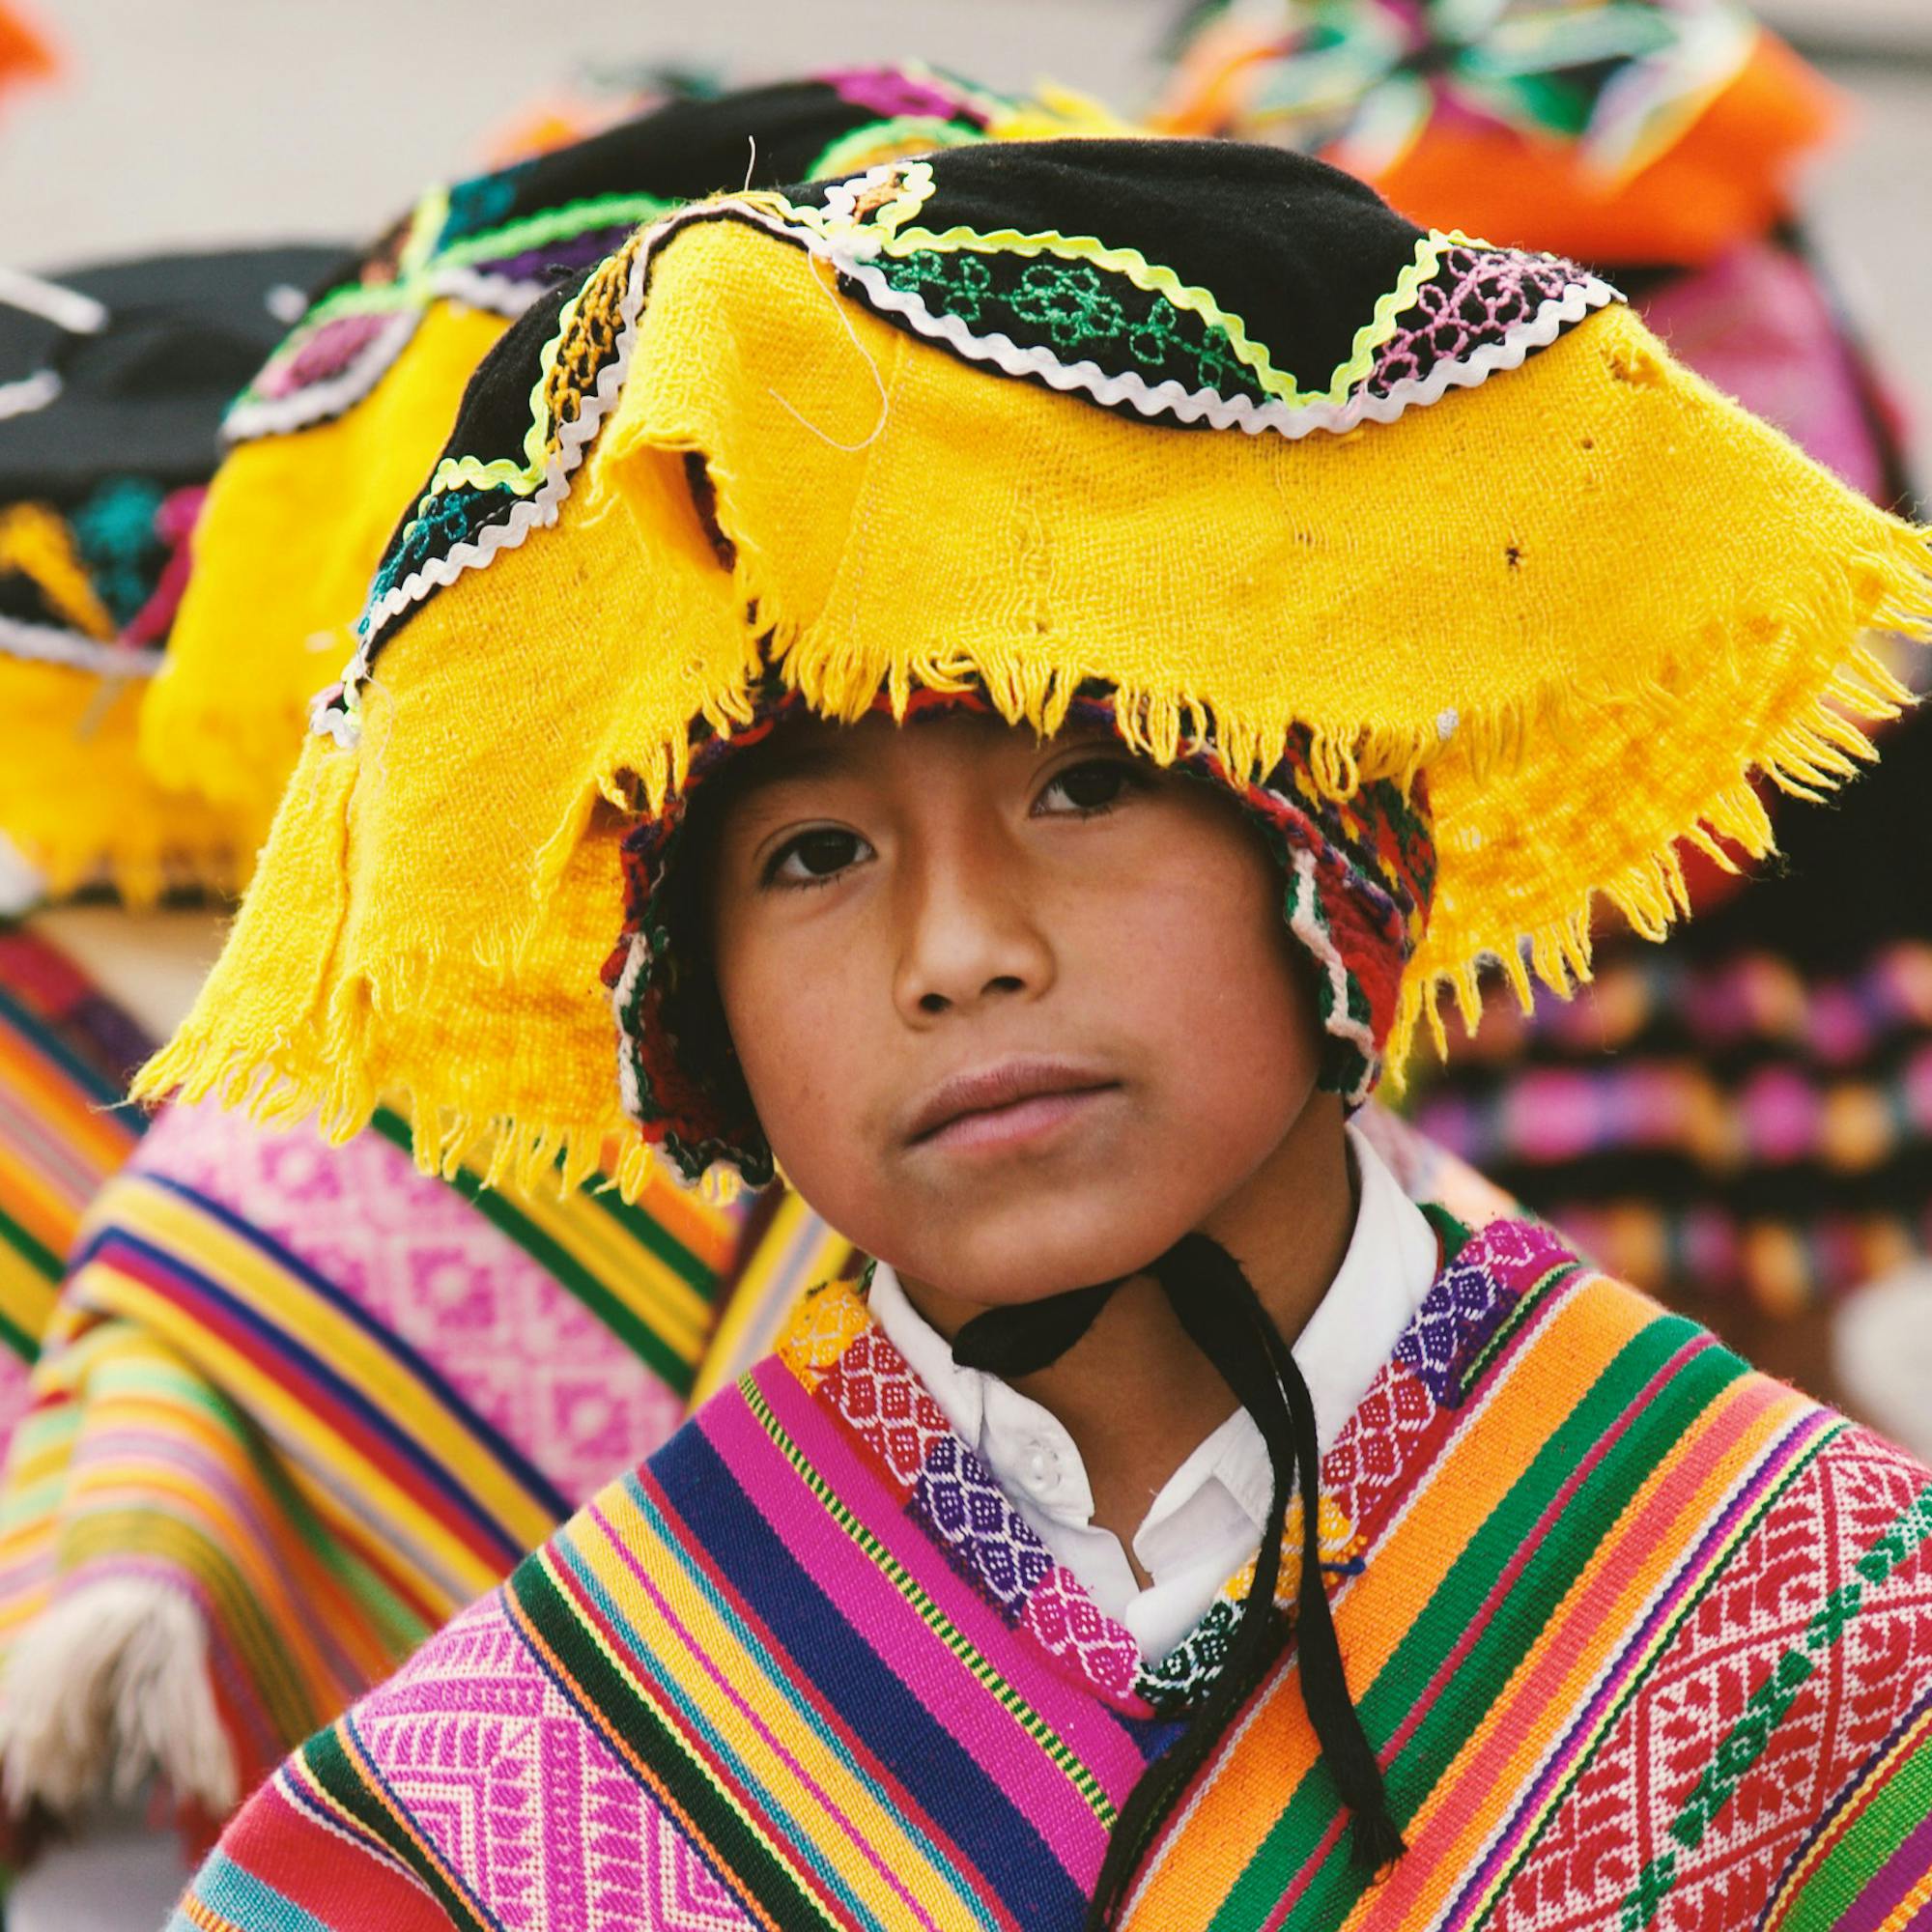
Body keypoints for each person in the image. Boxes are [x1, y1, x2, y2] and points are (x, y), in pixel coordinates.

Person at [149, 136, 1932, 1928]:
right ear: (693, 1015)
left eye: (1087, 782)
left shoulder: (1830, 1639)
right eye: (813, 854)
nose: (960, 950)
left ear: (1335, 849)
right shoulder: (503, 1805)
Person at [1160, 2, 1932, 1415]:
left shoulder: (1301, 134)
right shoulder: (1676, 110)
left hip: (1550, 843)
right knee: (1742, 1346)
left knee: (1579, 1347)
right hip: (1768, 811)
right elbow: (1854, 502)